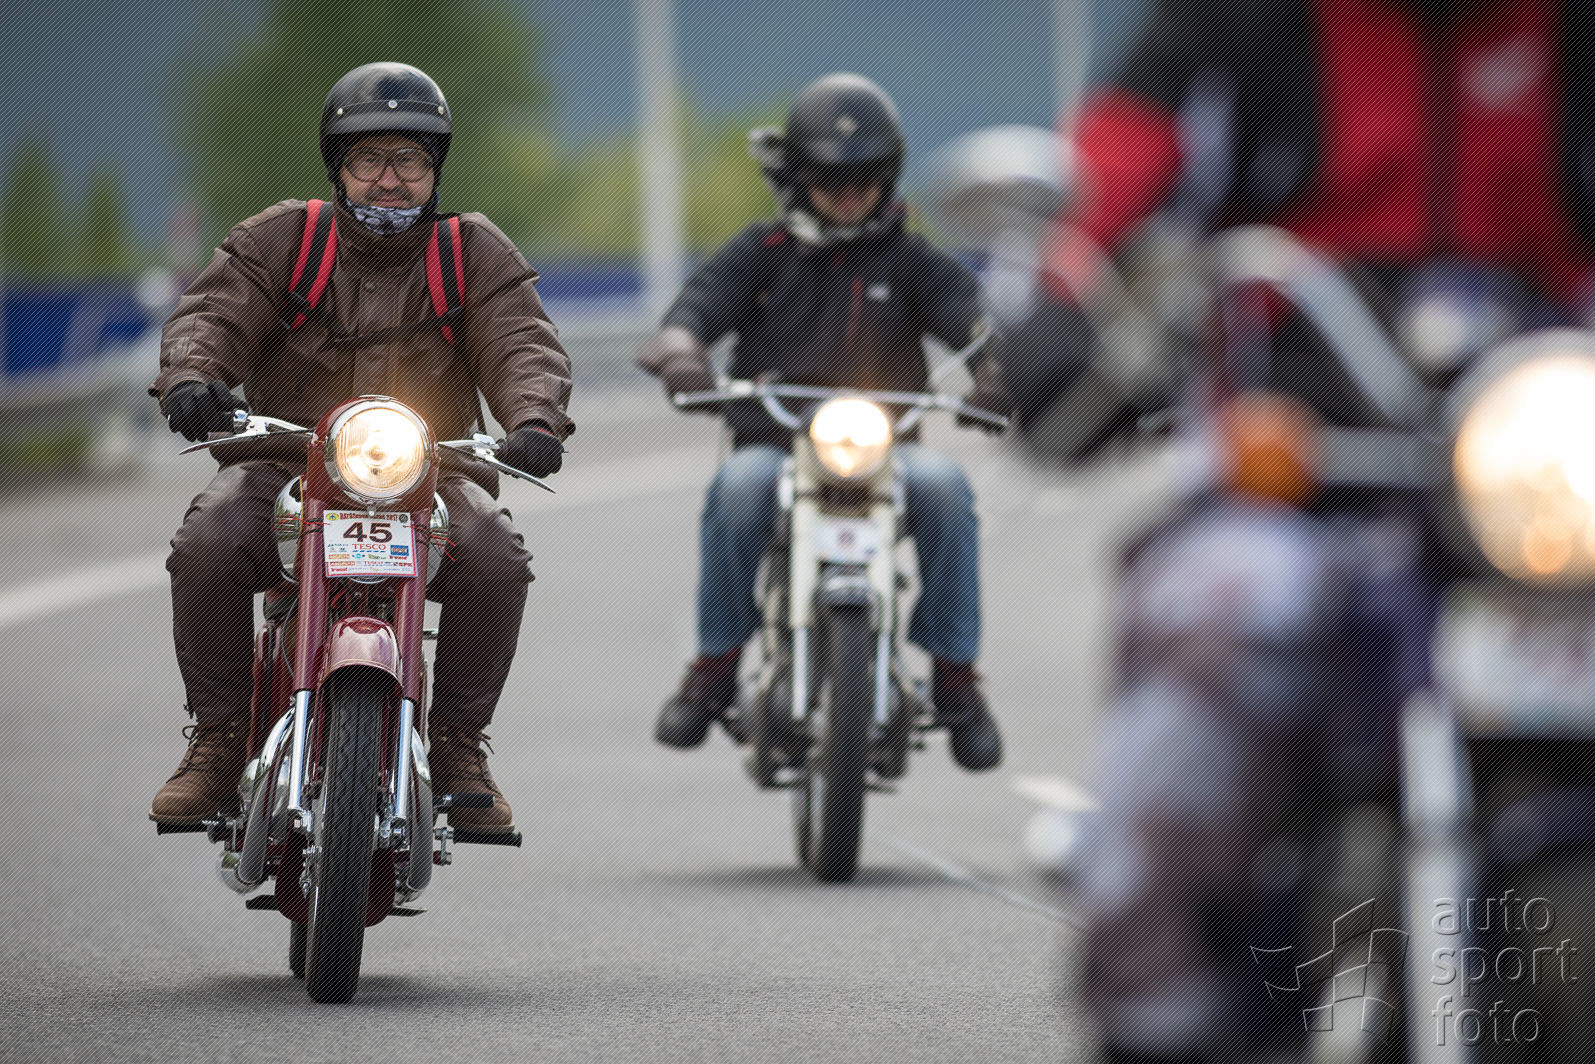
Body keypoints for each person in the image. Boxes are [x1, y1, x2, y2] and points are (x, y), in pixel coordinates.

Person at [1002, 1, 1595, 1061]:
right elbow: (1120, 162)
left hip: (1547, 474)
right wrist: (1060, 301)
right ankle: (1161, 1012)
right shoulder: (1238, 21)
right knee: (1220, 614)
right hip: (1305, 462)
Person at [148, 61, 572, 836]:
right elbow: (212, 315)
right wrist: (192, 378)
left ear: (434, 170)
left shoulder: (472, 251)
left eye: (409, 159)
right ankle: (218, 739)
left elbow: (522, 342)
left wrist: (535, 420)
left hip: (427, 470)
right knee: (207, 544)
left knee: (496, 559)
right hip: (283, 463)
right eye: (368, 158)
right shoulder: (284, 238)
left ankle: (458, 748)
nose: (389, 179)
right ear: (337, 168)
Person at [638, 72, 1010, 771]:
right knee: (737, 490)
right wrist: (683, 356)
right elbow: (690, 314)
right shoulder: (760, 251)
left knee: (946, 488)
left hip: (887, 449)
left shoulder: (912, 258)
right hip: (774, 442)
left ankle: (956, 676)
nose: (848, 192)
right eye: (831, 178)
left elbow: (975, 322)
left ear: (887, 175)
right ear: (798, 176)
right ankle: (714, 665)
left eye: (864, 177)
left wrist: (997, 372)